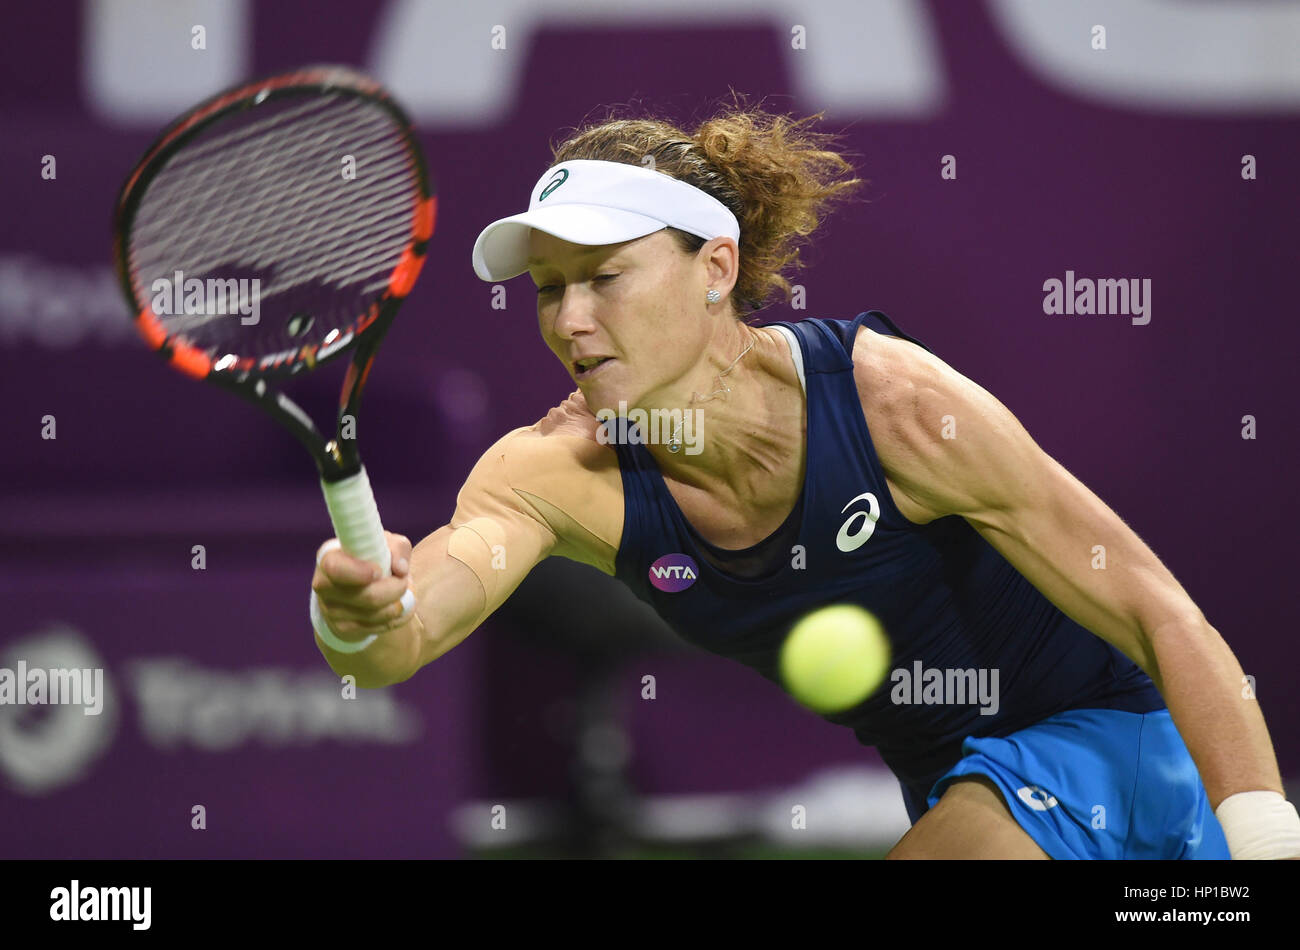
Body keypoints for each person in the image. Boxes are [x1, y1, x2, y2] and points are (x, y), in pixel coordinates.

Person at [308, 104, 1300, 859]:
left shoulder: (895, 406)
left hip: (1111, 748)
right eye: (548, 288)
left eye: (603, 277)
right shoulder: (552, 471)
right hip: (961, 789)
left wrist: (1258, 833)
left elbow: (1157, 610)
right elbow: (406, 633)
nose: (569, 320)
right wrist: (355, 614)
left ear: (715, 267)